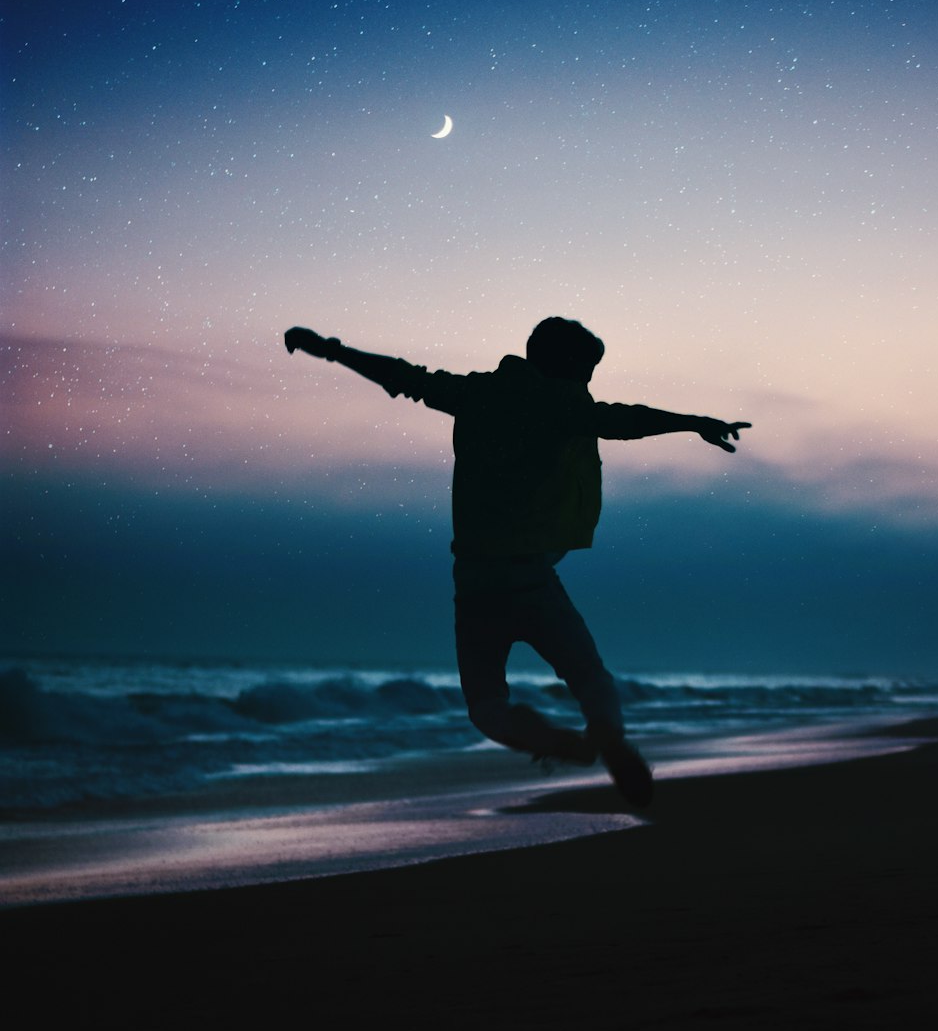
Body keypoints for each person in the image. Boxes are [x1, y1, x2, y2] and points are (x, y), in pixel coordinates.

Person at [284, 317, 749, 807]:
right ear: (561, 364)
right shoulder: (563, 405)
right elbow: (626, 420)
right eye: (586, 369)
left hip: (475, 585)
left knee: (485, 707)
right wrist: (694, 422)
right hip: (530, 579)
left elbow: (403, 377)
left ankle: (548, 741)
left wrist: (330, 350)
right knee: (589, 677)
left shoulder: (475, 394)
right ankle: (609, 738)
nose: (589, 382)